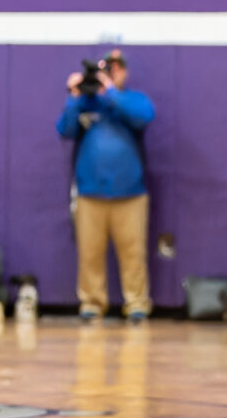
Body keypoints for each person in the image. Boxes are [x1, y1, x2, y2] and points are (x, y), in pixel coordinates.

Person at [56, 48, 155, 322]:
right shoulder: (86, 104)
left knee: (134, 253)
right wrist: (75, 96)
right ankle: (92, 303)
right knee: (90, 254)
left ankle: (136, 303)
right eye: (107, 68)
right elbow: (64, 129)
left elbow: (145, 116)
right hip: (90, 194)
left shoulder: (132, 100)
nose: (112, 72)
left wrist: (109, 91)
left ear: (124, 72)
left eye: (117, 68)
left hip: (130, 194)